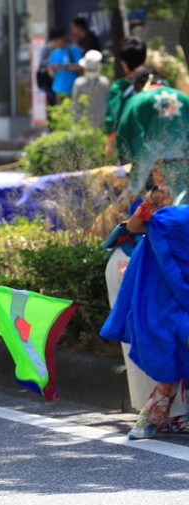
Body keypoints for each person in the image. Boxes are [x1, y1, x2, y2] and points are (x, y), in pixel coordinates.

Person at [101, 187, 189, 439]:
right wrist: (150, 202)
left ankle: (161, 417)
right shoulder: (180, 217)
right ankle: (153, 416)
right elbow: (136, 226)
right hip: (161, 300)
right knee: (174, 347)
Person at [115, 66, 189, 198]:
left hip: (151, 168)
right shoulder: (184, 98)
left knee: (151, 208)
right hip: (183, 164)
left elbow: (125, 135)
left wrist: (140, 158)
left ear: (139, 83)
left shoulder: (137, 101)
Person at [105, 37, 148, 157]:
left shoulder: (120, 86)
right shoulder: (156, 83)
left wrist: (110, 141)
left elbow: (112, 115)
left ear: (123, 62)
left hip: (129, 141)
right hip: (157, 139)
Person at [71, 50, 109, 127]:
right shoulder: (105, 82)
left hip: (84, 123)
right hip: (101, 122)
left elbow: (75, 105)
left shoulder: (79, 83)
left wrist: (73, 121)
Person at [47, 28, 84, 102]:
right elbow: (51, 72)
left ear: (63, 37)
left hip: (73, 89)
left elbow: (81, 67)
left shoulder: (73, 49)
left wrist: (64, 67)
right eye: (54, 41)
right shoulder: (54, 53)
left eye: (57, 40)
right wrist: (51, 69)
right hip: (58, 89)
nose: (56, 43)